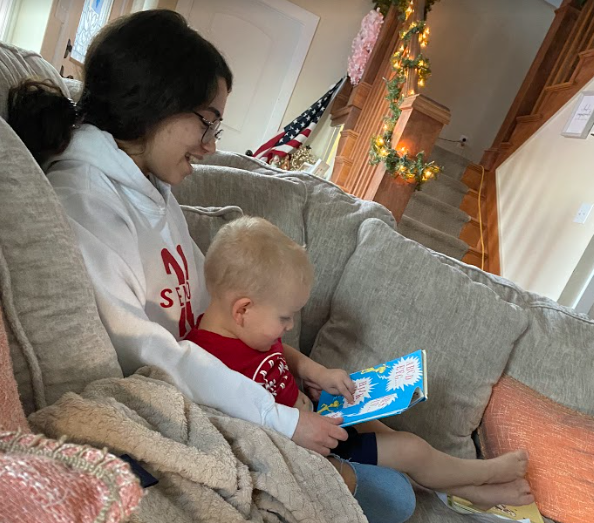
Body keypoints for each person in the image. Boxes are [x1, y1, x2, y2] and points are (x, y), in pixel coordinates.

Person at [7, 9, 416, 522]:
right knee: (393, 498)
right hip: (187, 408)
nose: (212, 144)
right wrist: (280, 420)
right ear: (154, 103)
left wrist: (285, 365)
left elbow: (212, 307)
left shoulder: (150, 186)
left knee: (386, 453)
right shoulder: (86, 199)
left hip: (228, 388)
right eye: (206, 120)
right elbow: (153, 355)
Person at [186, 215, 536, 510]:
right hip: (311, 447)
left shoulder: (248, 329)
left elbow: (279, 351)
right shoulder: (204, 362)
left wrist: (315, 371)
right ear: (243, 309)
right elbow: (237, 431)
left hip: (323, 414)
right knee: (410, 450)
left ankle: (471, 491)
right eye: (285, 317)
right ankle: (481, 474)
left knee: (387, 428)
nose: (289, 327)